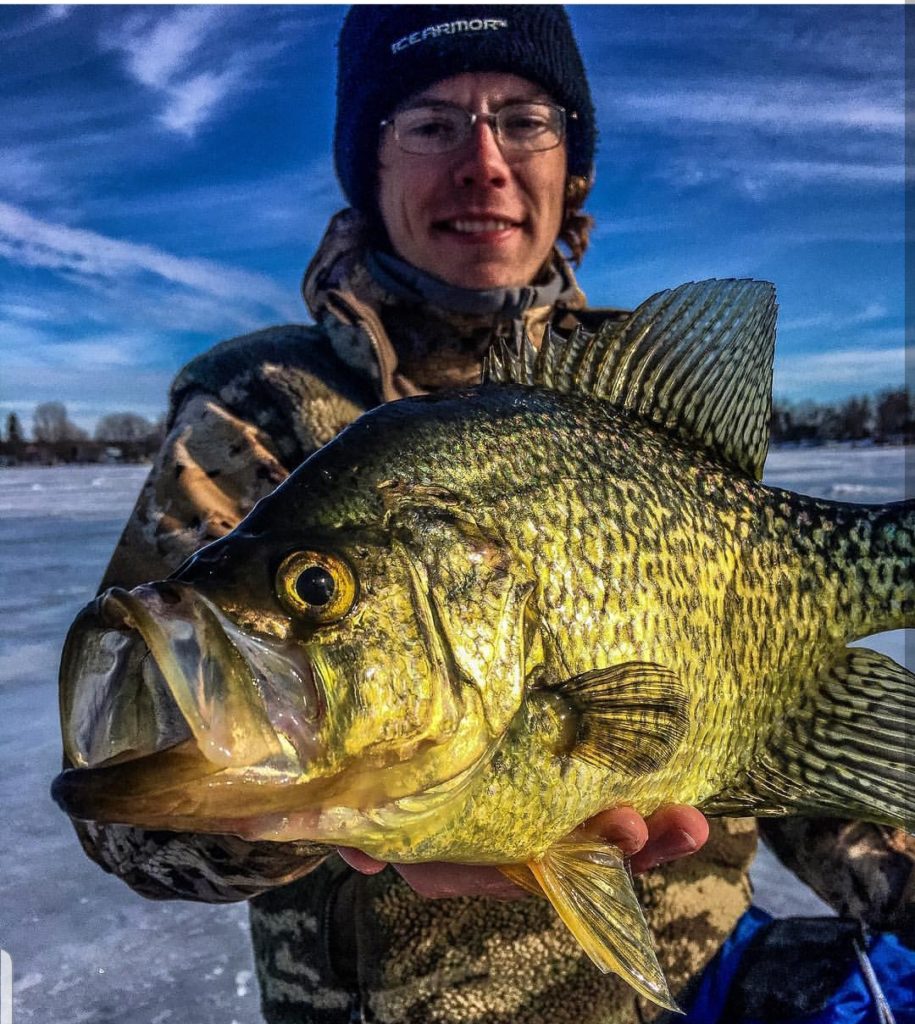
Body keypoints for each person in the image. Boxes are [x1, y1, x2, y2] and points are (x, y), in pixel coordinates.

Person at [72, 7, 913, 1023]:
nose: (483, 164)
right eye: (430, 122)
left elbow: (766, 708)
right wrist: (316, 813)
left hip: (700, 984)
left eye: (523, 119)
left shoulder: (633, 387)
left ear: (574, 164)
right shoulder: (260, 405)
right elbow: (129, 815)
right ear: (367, 165)